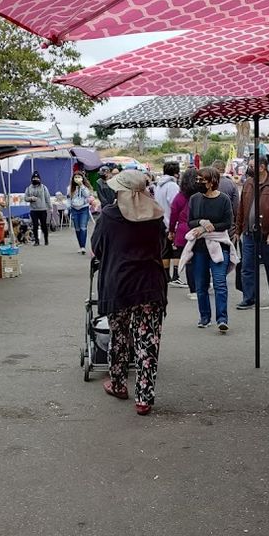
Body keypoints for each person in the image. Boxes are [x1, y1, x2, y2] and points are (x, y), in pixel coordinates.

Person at [90, 170, 168, 416]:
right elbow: (163, 248)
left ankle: (118, 384)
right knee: (148, 342)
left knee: (120, 336)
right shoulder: (155, 215)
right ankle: (144, 399)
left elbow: (96, 248)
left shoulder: (109, 216)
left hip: (119, 285)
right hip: (150, 285)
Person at [186, 167, 234, 331]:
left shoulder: (224, 200)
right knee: (201, 285)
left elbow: (227, 223)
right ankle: (204, 317)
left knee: (220, 283)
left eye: (202, 180)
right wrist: (200, 223)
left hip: (219, 246)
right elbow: (190, 221)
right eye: (197, 179)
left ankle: (222, 318)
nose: (198, 182)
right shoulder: (194, 199)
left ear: (212, 182)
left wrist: (209, 228)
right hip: (199, 248)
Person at [236, 152, 269, 310]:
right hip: (249, 233)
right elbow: (241, 208)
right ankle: (249, 298)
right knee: (247, 266)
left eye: (251, 167)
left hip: (267, 233)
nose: (248, 169)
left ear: (262, 167)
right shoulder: (248, 183)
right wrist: (238, 229)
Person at [168, 166, 201, 295]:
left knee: (189, 261)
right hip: (199, 230)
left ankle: (193, 290)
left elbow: (173, 216)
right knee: (201, 259)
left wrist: (171, 231)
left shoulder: (180, 197)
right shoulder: (201, 195)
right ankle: (202, 285)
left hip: (183, 232)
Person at [153, 162, 180, 279]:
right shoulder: (172, 186)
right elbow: (175, 205)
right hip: (170, 222)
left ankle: (165, 276)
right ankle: (175, 276)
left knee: (165, 251)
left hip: (161, 220)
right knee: (175, 250)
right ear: (176, 173)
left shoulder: (158, 185)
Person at [24, 170, 53, 246]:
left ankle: (46, 239)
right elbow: (25, 198)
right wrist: (31, 198)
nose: (35, 179)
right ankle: (36, 241)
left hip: (43, 209)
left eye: (37, 178)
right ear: (31, 179)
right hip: (33, 210)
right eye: (34, 178)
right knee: (35, 225)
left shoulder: (44, 187)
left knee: (44, 225)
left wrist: (50, 208)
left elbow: (47, 198)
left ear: (40, 179)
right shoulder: (29, 188)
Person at [68, 172, 93, 253]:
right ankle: (80, 245)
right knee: (77, 228)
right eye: (76, 177)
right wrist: (67, 208)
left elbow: (87, 195)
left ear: (82, 178)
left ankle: (83, 247)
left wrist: (81, 185)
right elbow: (68, 199)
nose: (77, 179)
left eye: (79, 177)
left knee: (83, 227)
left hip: (83, 209)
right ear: (73, 179)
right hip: (74, 209)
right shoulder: (70, 188)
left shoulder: (85, 187)